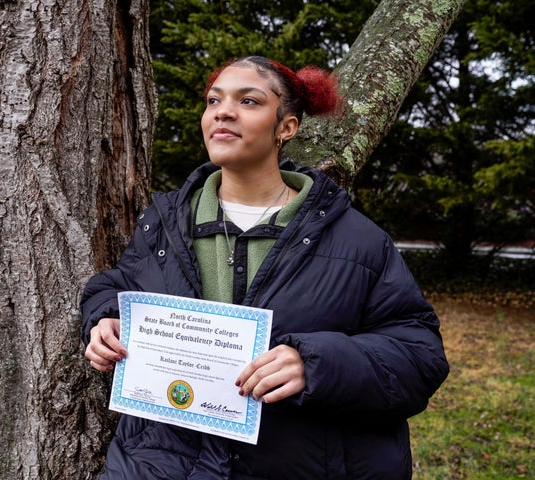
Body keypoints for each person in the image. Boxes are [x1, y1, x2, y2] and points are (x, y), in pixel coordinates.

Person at [81, 56, 449, 479]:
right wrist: (105, 320)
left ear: (286, 127)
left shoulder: (356, 241)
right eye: (213, 100)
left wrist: (315, 365)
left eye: (249, 101)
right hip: (162, 466)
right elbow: (116, 286)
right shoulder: (164, 224)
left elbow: (419, 357)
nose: (223, 111)